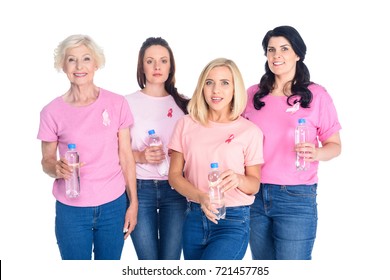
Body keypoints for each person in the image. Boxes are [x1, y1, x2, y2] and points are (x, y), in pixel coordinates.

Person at [243, 25, 342, 260]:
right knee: (263, 268)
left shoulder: (317, 96)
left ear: (298, 53)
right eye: (271, 50)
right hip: (253, 193)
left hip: (296, 197)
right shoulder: (252, 94)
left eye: (284, 49)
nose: (277, 56)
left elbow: (335, 145)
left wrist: (317, 153)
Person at [37, 34, 138, 260]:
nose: (79, 66)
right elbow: (46, 161)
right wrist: (57, 168)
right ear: (63, 65)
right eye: (72, 60)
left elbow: (126, 156)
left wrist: (133, 204)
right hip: (71, 210)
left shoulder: (117, 103)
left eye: (86, 59)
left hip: (113, 205)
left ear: (96, 63)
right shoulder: (51, 112)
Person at [168, 57, 264, 260]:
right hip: (194, 218)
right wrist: (200, 197)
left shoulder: (250, 131)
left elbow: (254, 185)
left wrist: (239, 179)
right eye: (209, 82)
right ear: (202, 87)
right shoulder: (185, 124)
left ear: (235, 89)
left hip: (233, 220)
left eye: (224, 83)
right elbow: (174, 176)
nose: (215, 90)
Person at [125, 37, 189, 260]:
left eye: (163, 60)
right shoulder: (125, 103)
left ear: (171, 66)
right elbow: (114, 153)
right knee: (148, 263)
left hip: (176, 190)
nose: (157, 66)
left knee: (170, 262)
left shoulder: (185, 104)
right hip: (140, 190)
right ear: (141, 66)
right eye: (150, 61)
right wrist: (140, 156)